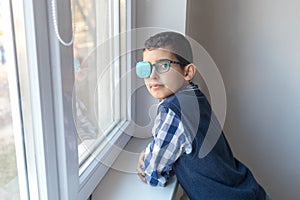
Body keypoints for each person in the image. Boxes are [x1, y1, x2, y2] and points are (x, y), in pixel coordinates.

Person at [136, 31, 269, 200]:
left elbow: (152, 173)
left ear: (187, 72)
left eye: (163, 66)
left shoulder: (172, 112)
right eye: (145, 68)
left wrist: (146, 157)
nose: (152, 75)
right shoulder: (194, 97)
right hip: (247, 189)